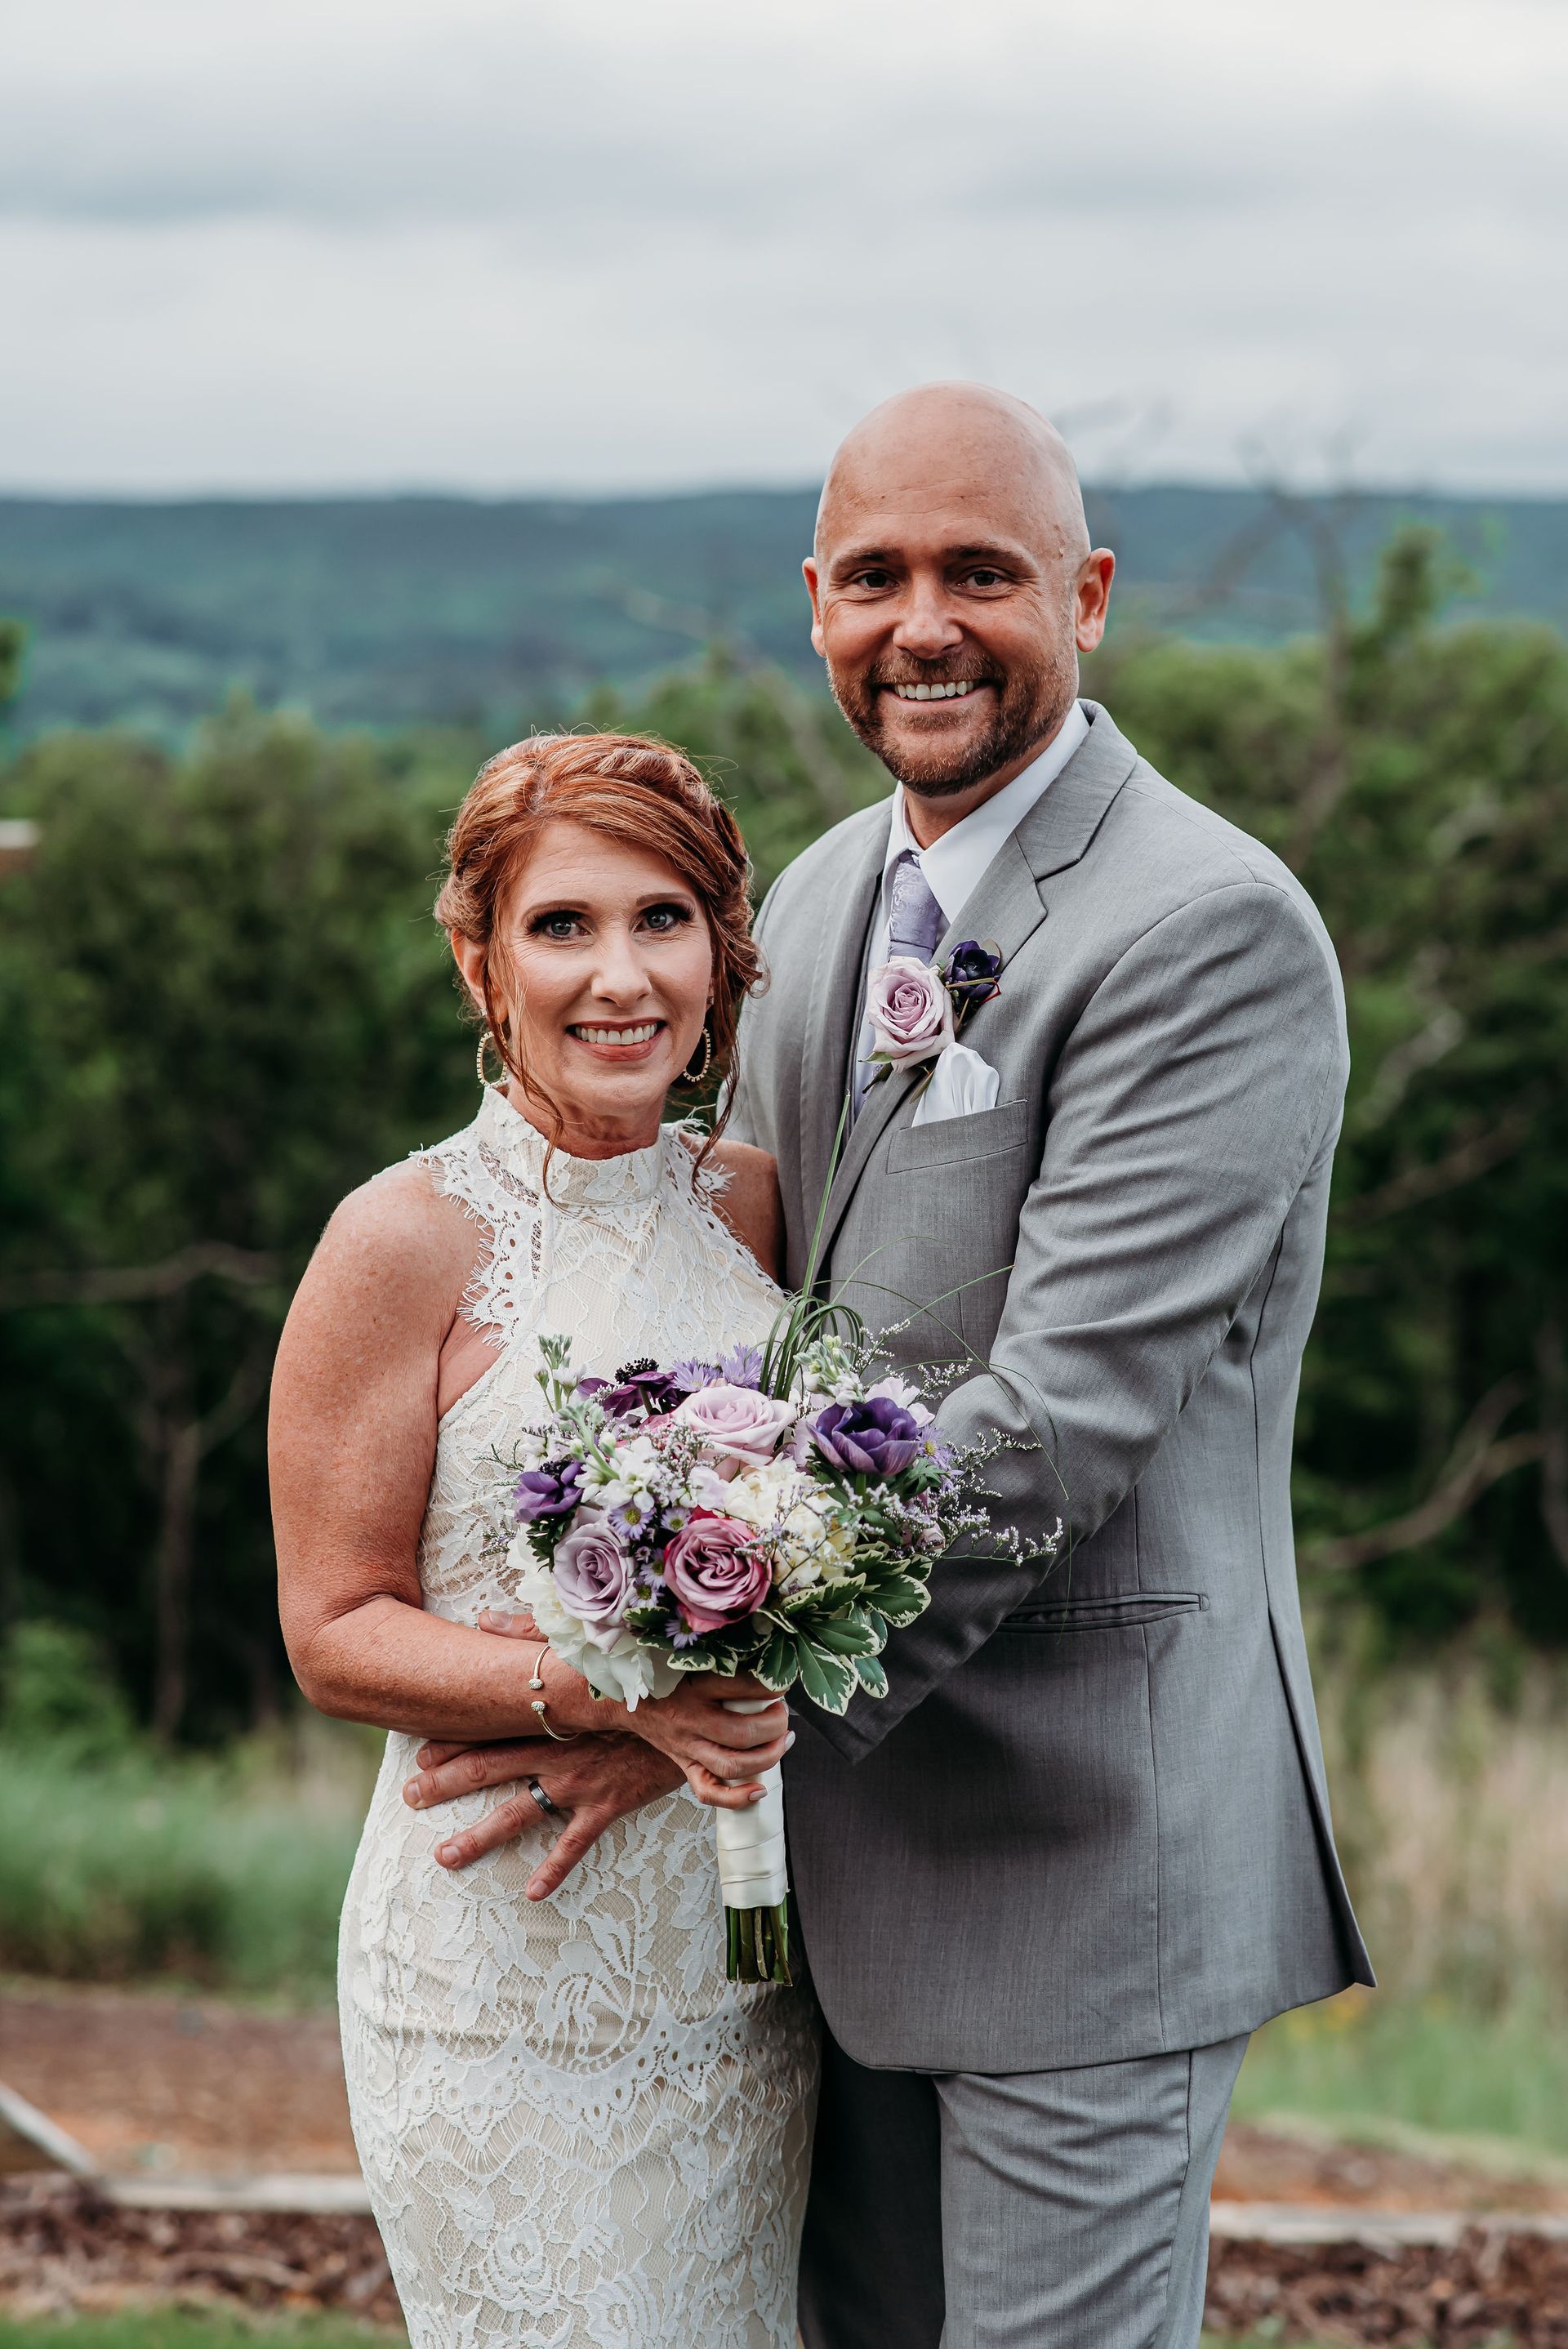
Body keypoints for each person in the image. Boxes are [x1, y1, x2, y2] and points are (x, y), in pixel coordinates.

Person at [408, 381, 1373, 2347]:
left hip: (1083, 1853)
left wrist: (668, 1695)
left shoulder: (1208, 927)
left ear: (1087, 594)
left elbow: (1057, 1419)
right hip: (807, 1879)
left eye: (979, 574)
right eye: (874, 577)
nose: (919, 622)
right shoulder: (829, 894)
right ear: (818, 603)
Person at [270, 733, 818, 2349]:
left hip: (737, 1989)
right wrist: (609, 1697)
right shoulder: (401, 1239)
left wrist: (725, 1695)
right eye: (562, 924)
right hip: (493, 1978)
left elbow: (801, 1567)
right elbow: (332, 1627)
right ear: (477, 953)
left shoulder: (761, 1210)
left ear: (724, 953)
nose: (620, 974)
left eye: (664, 919)